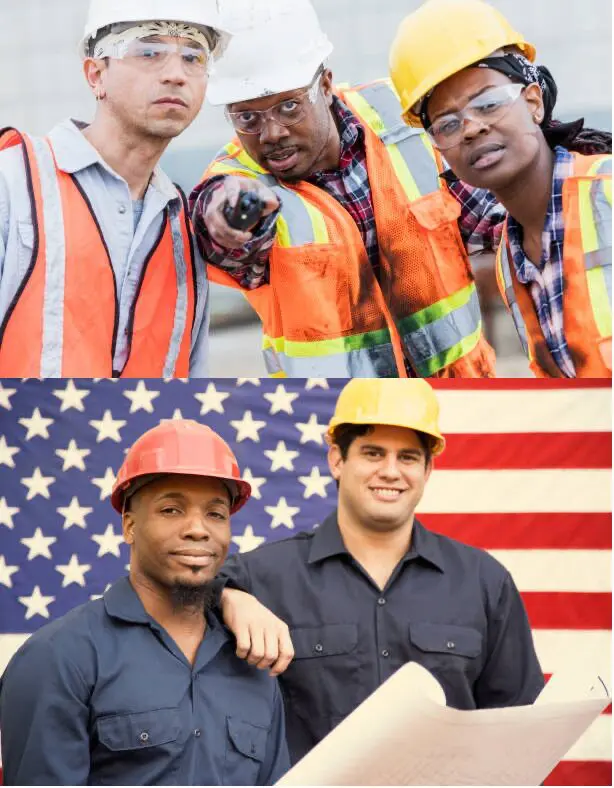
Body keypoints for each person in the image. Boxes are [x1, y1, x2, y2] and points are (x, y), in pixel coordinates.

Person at [215, 379, 545, 764]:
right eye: (373, 453)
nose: (391, 472)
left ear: (428, 468)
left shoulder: (484, 582)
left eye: (407, 457)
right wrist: (227, 596)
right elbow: (173, 591)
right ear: (337, 460)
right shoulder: (263, 577)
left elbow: (520, 727)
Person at [189, 0, 507, 379]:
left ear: (324, 85)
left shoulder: (402, 118)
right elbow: (219, 227)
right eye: (247, 118)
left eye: (289, 106)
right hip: (337, 420)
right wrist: (229, 216)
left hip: (458, 398)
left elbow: (492, 220)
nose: (271, 133)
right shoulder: (235, 180)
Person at [0, 420, 290, 785]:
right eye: (171, 509)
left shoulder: (254, 662)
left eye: (215, 513)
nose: (197, 529)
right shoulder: (58, 657)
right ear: (129, 525)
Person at [0, 0, 234, 377]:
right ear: (95, 75)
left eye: (194, 57)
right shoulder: (13, 183)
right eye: (149, 51)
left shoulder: (183, 228)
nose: (176, 73)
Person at [389, 0, 612, 378]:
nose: (472, 128)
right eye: (447, 124)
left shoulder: (606, 194)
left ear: (533, 102)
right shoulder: (511, 259)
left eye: (489, 104)